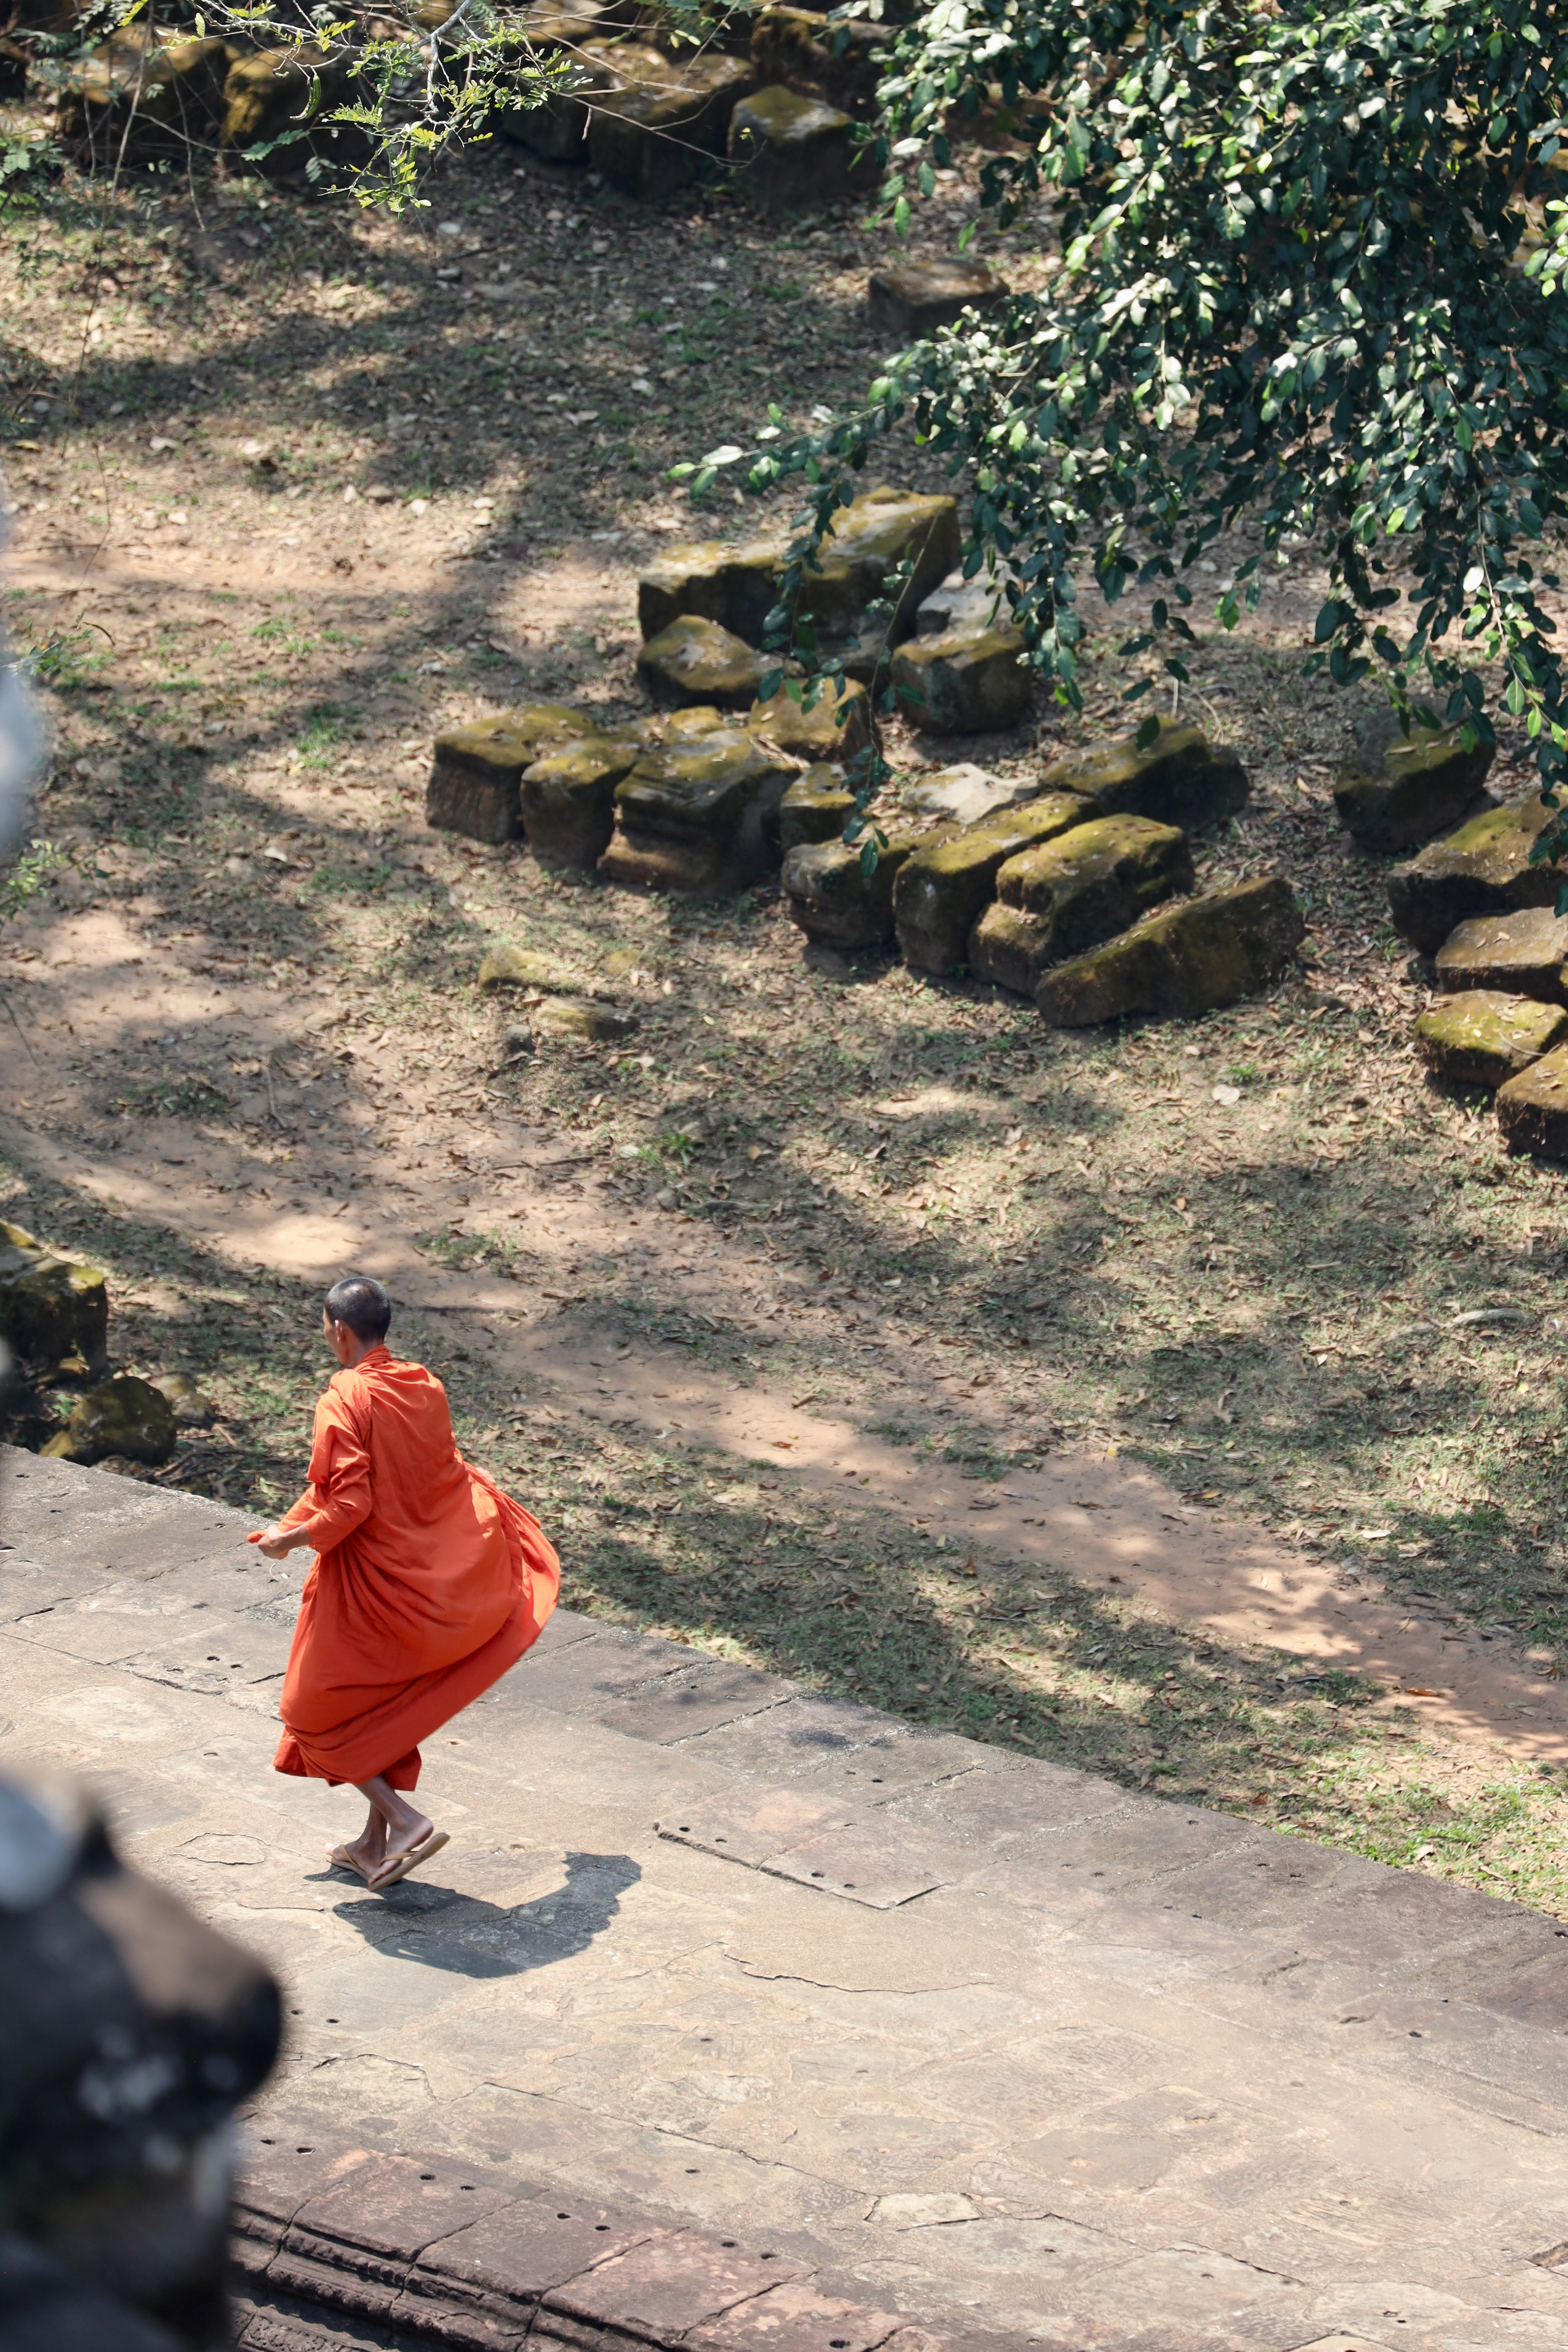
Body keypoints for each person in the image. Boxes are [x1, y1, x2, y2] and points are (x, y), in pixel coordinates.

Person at [249, 1276, 559, 1891]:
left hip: (370, 1590)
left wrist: (292, 1541)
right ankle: (371, 1845)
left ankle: (405, 1819)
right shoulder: (421, 1383)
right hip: (428, 1580)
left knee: (309, 1713)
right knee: (381, 1711)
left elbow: (351, 1504)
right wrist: (297, 1520)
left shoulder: (346, 1395)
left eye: (324, 1326)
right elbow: (429, 1471)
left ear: (338, 1330)